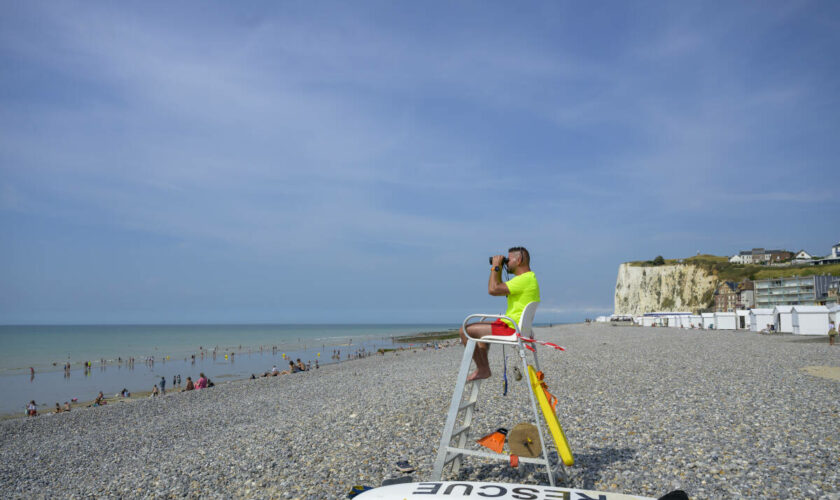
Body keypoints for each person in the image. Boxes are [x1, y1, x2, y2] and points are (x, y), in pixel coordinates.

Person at [460, 247, 540, 381]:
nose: (506, 263)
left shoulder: (524, 280)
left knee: (464, 331)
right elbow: (498, 287)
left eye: (508, 260)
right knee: (480, 330)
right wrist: (497, 268)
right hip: (512, 325)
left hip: (511, 328)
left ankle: (483, 369)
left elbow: (493, 289)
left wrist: (496, 267)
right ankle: (483, 368)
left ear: (519, 260)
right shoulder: (528, 278)